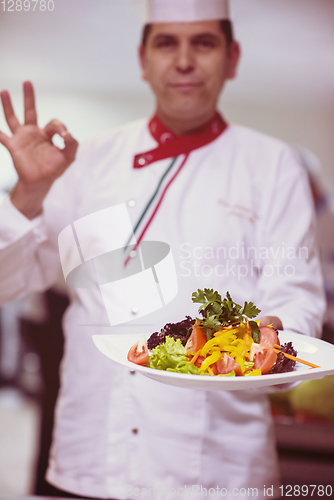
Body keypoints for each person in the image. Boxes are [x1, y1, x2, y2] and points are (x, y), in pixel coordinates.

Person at [0, 0, 325, 498]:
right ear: (143, 58)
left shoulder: (273, 164)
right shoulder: (86, 161)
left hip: (218, 468)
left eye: (204, 43)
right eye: (167, 42)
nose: (185, 60)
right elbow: (10, 283)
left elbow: (298, 300)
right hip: (90, 455)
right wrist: (27, 195)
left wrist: (259, 343)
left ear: (233, 58)